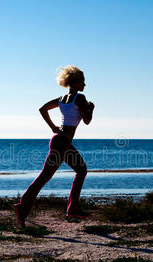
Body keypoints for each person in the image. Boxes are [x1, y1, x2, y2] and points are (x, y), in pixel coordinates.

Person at [14, 65, 95, 227]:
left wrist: (52, 127)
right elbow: (87, 121)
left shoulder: (61, 99)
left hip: (60, 140)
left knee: (80, 170)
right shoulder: (80, 98)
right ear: (75, 82)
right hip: (62, 142)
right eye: (82, 81)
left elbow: (43, 109)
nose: (85, 85)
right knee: (45, 176)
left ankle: (73, 207)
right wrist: (91, 109)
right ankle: (23, 207)